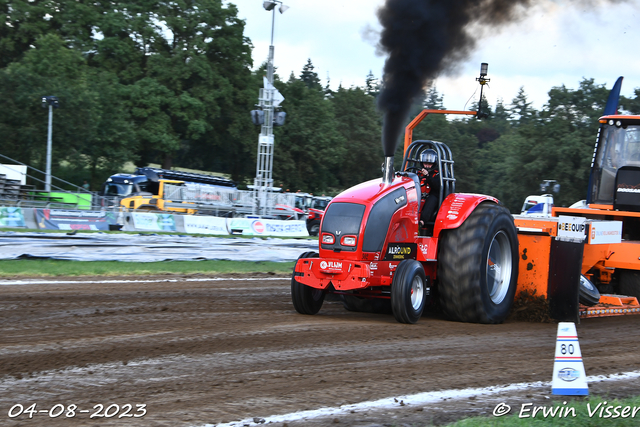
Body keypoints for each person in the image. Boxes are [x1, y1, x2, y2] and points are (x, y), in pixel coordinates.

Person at [418, 149, 441, 228]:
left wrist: (428, 176)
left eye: (429, 164)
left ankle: (422, 222)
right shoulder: (417, 173)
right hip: (418, 194)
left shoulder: (438, 174)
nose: (427, 166)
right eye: (425, 163)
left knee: (433, 198)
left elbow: (437, 187)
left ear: (434, 163)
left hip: (433, 196)